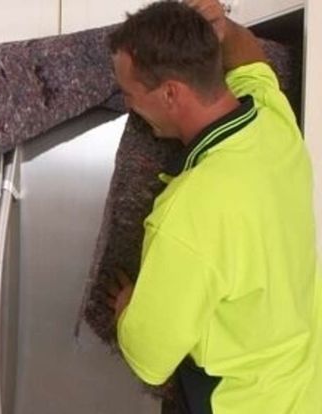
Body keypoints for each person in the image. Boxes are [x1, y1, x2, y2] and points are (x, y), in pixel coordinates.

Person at [106, 0, 322, 413]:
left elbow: (150, 359)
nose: (129, 107)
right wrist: (222, 26)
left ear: (171, 92)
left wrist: (126, 307)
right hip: (306, 392)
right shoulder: (273, 121)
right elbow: (251, 55)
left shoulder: (188, 211)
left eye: (130, 94)